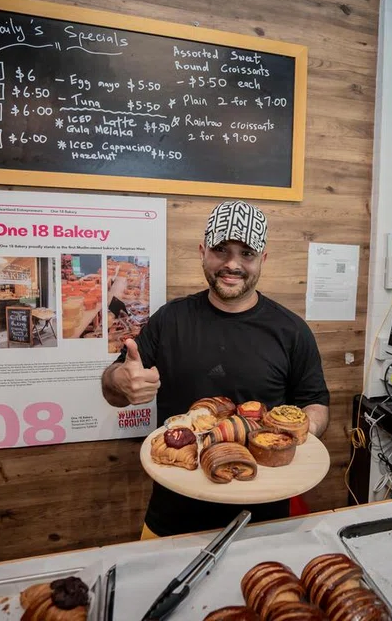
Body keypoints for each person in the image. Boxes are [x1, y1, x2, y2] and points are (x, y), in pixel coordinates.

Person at [101, 199, 330, 538]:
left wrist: (297, 429)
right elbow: (112, 389)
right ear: (202, 252)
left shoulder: (291, 331)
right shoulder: (171, 320)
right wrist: (120, 379)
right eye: (221, 250)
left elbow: (316, 404)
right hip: (174, 516)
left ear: (262, 259)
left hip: (265, 519)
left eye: (247, 254)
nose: (232, 264)